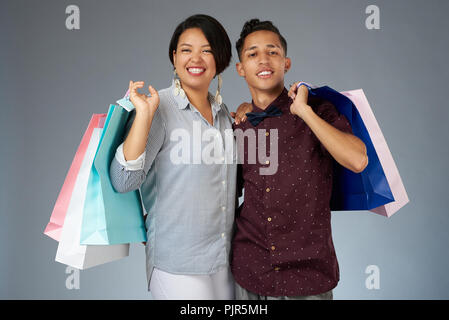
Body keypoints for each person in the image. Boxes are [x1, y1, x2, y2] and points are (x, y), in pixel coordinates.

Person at [231, 19, 369, 300]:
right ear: (241, 69)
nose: (263, 60)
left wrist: (304, 112)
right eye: (252, 54)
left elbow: (357, 160)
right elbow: (223, 192)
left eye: (273, 51)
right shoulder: (239, 125)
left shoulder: (318, 110)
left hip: (308, 277)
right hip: (248, 273)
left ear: (286, 63)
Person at [109, 14, 237, 300]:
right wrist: (143, 115)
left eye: (207, 50)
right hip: (177, 264)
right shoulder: (159, 107)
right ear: (174, 57)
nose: (196, 58)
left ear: (221, 59)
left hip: (223, 262)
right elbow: (123, 180)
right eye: (186, 49)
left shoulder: (224, 114)